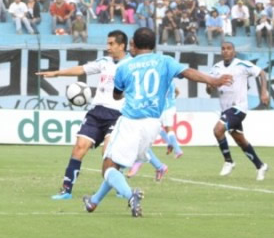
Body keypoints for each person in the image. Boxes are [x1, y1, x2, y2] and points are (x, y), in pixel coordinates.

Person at [82, 28, 232, 216]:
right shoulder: (165, 61)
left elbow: (117, 95)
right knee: (117, 166)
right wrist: (214, 80)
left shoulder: (124, 67)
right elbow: (189, 72)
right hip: (153, 124)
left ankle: (130, 195)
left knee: (108, 167)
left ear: (133, 45)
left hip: (131, 121)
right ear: (154, 45)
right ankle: (93, 202)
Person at [37, 31, 130, 199]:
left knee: (108, 153)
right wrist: (56, 73)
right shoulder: (104, 62)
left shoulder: (131, 64)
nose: (107, 47)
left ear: (122, 45)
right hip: (97, 112)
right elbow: (81, 69)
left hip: (118, 114)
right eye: (107, 43)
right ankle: (66, 190)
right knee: (79, 147)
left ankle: (119, 185)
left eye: (111, 44)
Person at [209, 41, 270, 180]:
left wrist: (263, 92)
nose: (225, 51)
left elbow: (262, 73)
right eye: (223, 49)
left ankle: (228, 161)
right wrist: (210, 85)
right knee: (240, 140)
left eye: (229, 48)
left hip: (238, 108)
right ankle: (260, 166)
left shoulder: (242, 65)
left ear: (234, 51)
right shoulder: (216, 68)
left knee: (218, 130)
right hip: (225, 110)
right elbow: (210, 88)